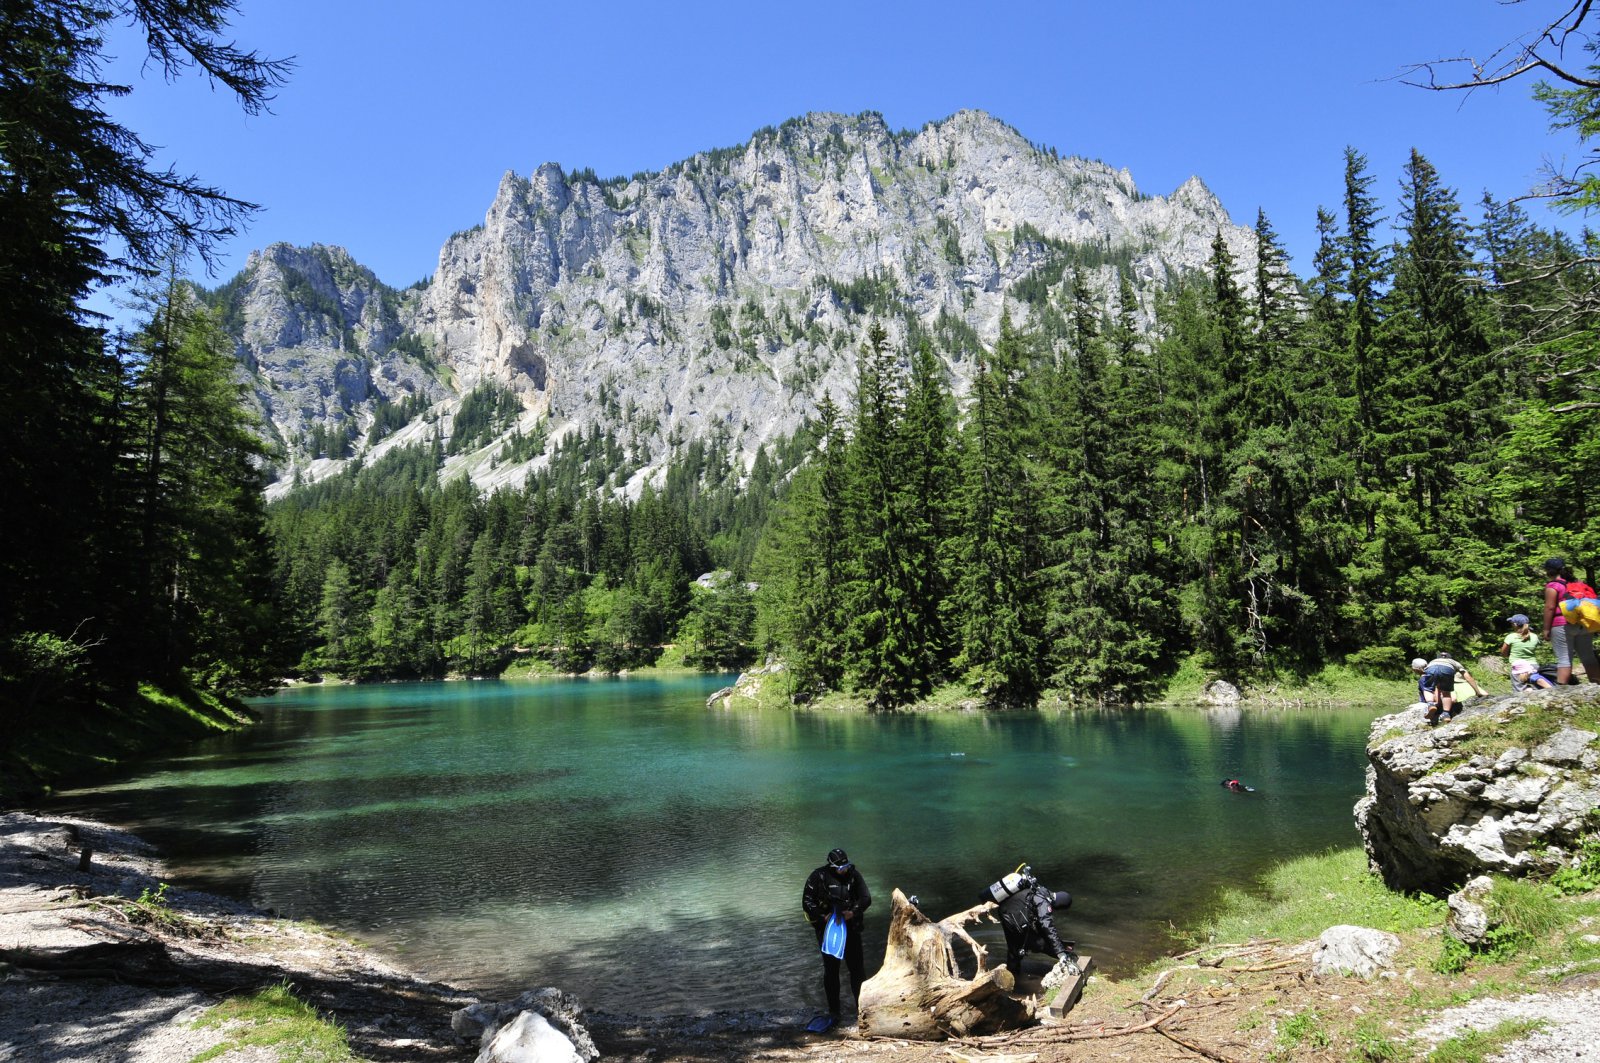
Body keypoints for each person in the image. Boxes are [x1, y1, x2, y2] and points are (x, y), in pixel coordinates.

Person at [801, 848, 871, 1021]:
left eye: (846, 866)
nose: (844, 870)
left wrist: (853, 912)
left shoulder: (854, 876)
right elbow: (807, 902)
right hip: (829, 931)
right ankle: (834, 1011)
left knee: (857, 970)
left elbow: (866, 898)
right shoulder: (819, 877)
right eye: (840, 868)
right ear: (832, 866)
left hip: (851, 928)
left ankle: (862, 1009)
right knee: (831, 971)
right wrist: (822, 917)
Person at [980, 876, 1074, 980]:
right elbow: (1047, 925)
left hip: (1006, 913)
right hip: (1014, 917)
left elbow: (1039, 923)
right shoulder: (1043, 902)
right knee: (1040, 944)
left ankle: (1011, 979)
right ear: (1060, 905)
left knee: (1014, 951)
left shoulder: (1041, 891)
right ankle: (1069, 960)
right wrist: (1060, 952)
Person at [1542, 557, 1600, 685]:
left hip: (1562, 625)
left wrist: (1546, 629)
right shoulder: (1576, 583)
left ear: (1549, 571)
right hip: (1583, 623)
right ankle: (1597, 686)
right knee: (1588, 657)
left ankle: (1562, 691)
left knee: (1564, 659)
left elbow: (1550, 607)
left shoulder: (1553, 586)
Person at [1417, 652, 1485, 725]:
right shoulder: (1455, 662)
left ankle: (1430, 704)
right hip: (1447, 669)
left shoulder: (1433, 661)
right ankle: (1446, 714)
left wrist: (1438, 703)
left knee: (1428, 689)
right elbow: (1468, 678)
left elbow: (1426, 674)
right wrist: (1478, 692)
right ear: (1450, 658)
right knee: (1446, 693)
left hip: (1431, 668)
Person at [1499, 614, 1554, 692]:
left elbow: (1503, 652)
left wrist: (1508, 656)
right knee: (1537, 690)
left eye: (1511, 623)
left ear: (1515, 624)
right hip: (1533, 665)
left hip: (1519, 667)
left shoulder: (1511, 637)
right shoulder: (1534, 636)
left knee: (1520, 691)